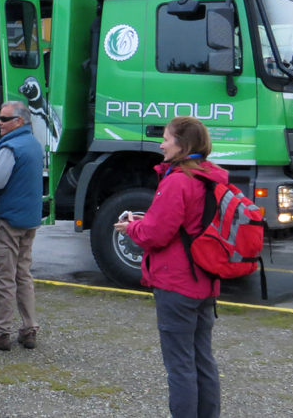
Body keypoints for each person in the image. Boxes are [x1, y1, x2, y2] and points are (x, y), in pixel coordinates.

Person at [114, 116, 224, 418]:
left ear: (182, 144)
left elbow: (156, 234)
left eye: (166, 138)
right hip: (204, 279)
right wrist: (144, 222)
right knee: (203, 359)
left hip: (176, 282)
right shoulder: (212, 176)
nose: (161, 144)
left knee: (180, 366)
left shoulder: (177, 180)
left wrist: (131, 229)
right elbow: (187, 223)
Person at [0, 101, 43, 351]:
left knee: (3, 277)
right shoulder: (33, 144)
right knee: (23, 274)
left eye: (4, 119)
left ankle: (0, 332)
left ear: (19, 121)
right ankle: (29, 329)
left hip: (9, 219)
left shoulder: (10, 146)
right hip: (29, 219)